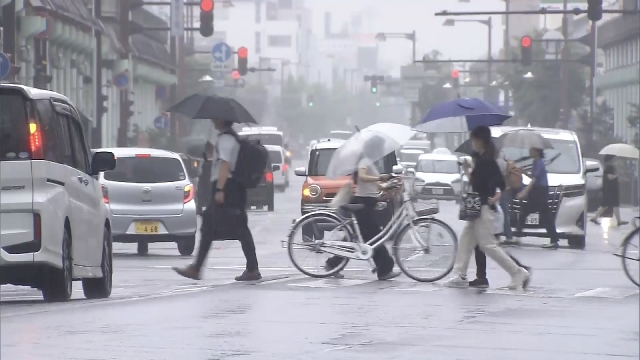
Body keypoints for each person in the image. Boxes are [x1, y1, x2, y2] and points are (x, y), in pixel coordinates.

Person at [173, 119, 261, 282]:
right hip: (232, 186)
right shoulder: (228, 139)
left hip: (228, 187)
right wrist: (212, 155)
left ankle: (197, 268)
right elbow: (222, 162)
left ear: (221, 120)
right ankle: (251, 268)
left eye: (215, 118)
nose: (213, 120)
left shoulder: (226, 140)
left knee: (215, 226)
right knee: (228, 227)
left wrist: (220, 189)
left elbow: (225, 166)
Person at [444, 125, 530, 289]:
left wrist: (472, 173)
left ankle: (517, 272)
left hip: (483, 209)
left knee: (488, 245)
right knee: (466, 240)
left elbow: (488, 183)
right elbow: (496, 182)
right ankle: (460, 274)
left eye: (474, 139)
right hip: (479, 208)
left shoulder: (486, 161)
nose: (473, 143)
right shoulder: (484, 158)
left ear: (480, 140)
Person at [325, 136, 400, 281]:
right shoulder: (364, 161)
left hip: (367, 203)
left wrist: (386, 187)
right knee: (374, 238)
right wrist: (379, 179)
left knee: (356, 239)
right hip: (363, 205)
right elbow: (363, 176)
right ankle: (385, 270)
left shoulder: (369, 162)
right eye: (381, 148)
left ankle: (332, 264)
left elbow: (372, 184)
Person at [470, 188, 531, 289]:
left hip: (492, 215)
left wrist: (492, 200)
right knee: (485, 247)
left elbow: (497, 190)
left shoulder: (489, 174)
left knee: (491, 248)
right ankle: (481, 277)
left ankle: (519, 270)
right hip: (485, 214)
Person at [515, 147, 560, 249]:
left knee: (526, 211)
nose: (529, 152)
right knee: (544, 215)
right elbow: (534, 176)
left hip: (540, 191)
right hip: (539, 190)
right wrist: (524, 173)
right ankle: (554, 239)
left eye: (531, 150)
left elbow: (535, 180)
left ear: (537, 152)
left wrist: (525, 191)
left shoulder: (539, 162)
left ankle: (517, 235)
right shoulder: (536, 162)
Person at [591, 155, 629, 227]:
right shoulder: (609, 167)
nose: (614, 160)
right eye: (613, 158)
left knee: (612, 205)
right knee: (607, 205)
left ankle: (618, 221)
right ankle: (595, 218)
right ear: (610, 160)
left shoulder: (609, 167)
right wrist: (617, 175)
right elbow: (610, 177)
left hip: (610, 190)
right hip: (610, 190)